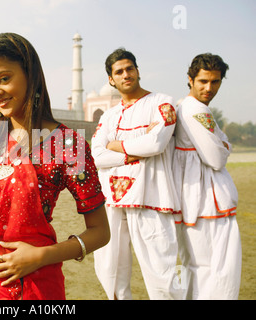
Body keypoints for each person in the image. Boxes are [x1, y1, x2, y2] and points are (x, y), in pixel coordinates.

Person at [0, 33, 110, 300]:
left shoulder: (67, 144)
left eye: (4, 78)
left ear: (30, 75)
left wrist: (40, 256)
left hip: (32, 286)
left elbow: (100, 232)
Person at [91, 48, 183, 300]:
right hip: (112, 201)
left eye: (129, 68)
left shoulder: (162, 102)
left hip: (150, 198)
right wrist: (135, 150)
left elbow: (156, 145)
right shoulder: (109, 116)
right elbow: (97, 156)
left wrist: (115, 145)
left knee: (162, 276)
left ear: (138, 71)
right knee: (110, 273)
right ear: (111, 80)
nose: (125, 74)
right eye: (118, 72)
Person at [172, 53, 241, 299]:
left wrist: (223, 144)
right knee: (218, 269)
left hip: (193, 201)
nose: (209, 88)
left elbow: (221, 144)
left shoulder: (185, 106)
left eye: (215, 82)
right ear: (190, 79)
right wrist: (224, 145)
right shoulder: (195, 110)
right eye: (203, 81)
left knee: (198, 268)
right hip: (207, 202)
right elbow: (217, 157)